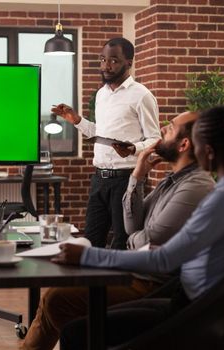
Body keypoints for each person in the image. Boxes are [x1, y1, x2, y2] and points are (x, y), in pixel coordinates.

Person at [54, 104, 224, 348]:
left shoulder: (220, 198)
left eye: (195, 142)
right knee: (82, 317)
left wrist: (88, 255)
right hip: (195, 303)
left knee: (76, 332)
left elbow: (163, 260)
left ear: (208, 151)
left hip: (191, 314)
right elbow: (141, 234)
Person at [21, 111, 215, 350]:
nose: (163, 129)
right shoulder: (171, 180)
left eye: (171, 127)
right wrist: (137, 175)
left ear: (184, 144)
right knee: (54, 298)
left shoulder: (196, 186)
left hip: (153, 284)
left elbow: (150, 237)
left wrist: (135, 238)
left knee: (57, 301)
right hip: (136, 271)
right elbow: (132, 225)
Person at [52, 37, 161, 249]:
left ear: (128, 63)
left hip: (126, 179)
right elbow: (100, 132)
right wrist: (77, 121)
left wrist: (133, 149)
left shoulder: (142, 95)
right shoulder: (101, 95)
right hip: (99, 180)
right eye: (102, 60)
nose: (106, 66)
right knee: (91, 240)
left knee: (122, 241)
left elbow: (155, 139)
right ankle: (95, 284)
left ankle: (121, 283)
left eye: (113, 60)